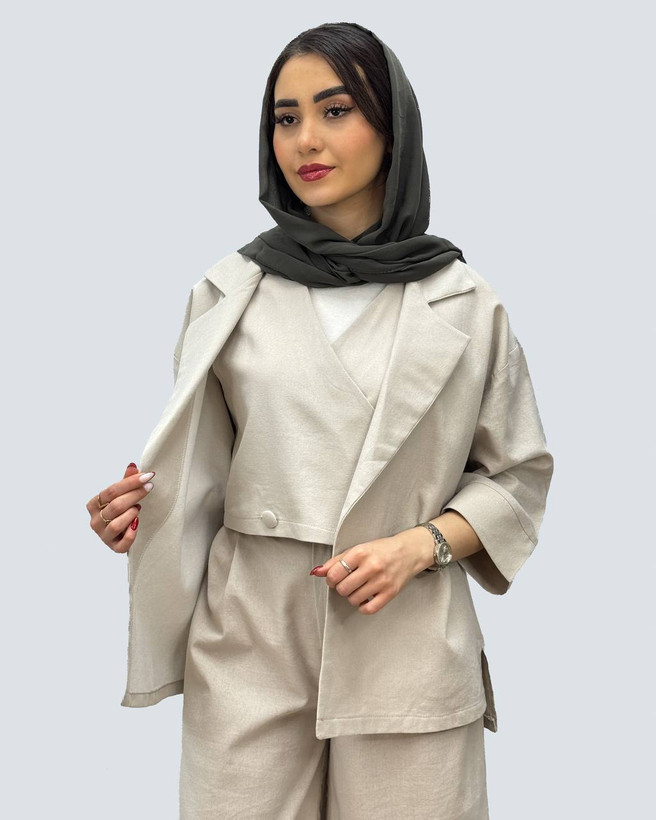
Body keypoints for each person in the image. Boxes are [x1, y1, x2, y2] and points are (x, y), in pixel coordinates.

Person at [87, 21, 554, 819]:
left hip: (407, 629)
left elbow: (518, 475)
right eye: (285, 117)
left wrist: (421, 545)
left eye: (336, 111)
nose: (305, 139)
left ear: (392, 127)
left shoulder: (466, 303)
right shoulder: (229, 291)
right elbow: (197, 475)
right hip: (250, 635)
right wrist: (132, 513)